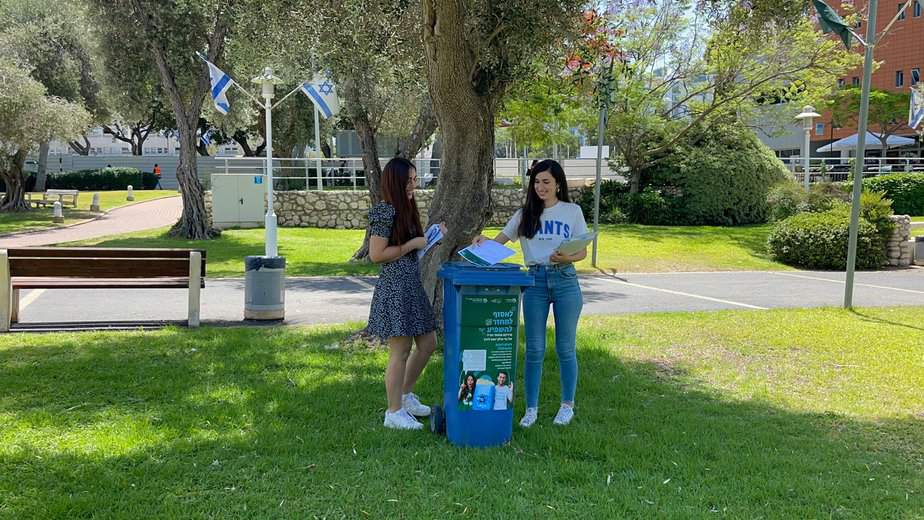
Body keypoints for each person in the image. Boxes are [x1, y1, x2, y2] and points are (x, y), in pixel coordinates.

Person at [473, 159, 586, 427]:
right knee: (534, 349)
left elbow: (581, 251)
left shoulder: (572, 211)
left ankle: (567, 405)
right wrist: (482, 240)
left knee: (565, 348)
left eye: (546, 182)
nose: (540, 187)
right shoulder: (525, 214)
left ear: (558, 183)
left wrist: (566, 259)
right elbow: (498, 243)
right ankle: (531, 409)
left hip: (566, 281)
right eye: (536, 182)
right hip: (534, 282)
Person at [368, 157, 446, 430]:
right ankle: (393, 412)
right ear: (395, 181)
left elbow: (412, 251)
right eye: (408, 180)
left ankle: (405, 394)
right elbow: (377, 254)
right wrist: (413, 243)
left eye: (415, 179)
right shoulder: (384, 212)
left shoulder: (407, 209)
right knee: (399, 352)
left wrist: (431, 238)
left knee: (428, 344)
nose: (414, 185)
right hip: (395, 289)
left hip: (410, 286)